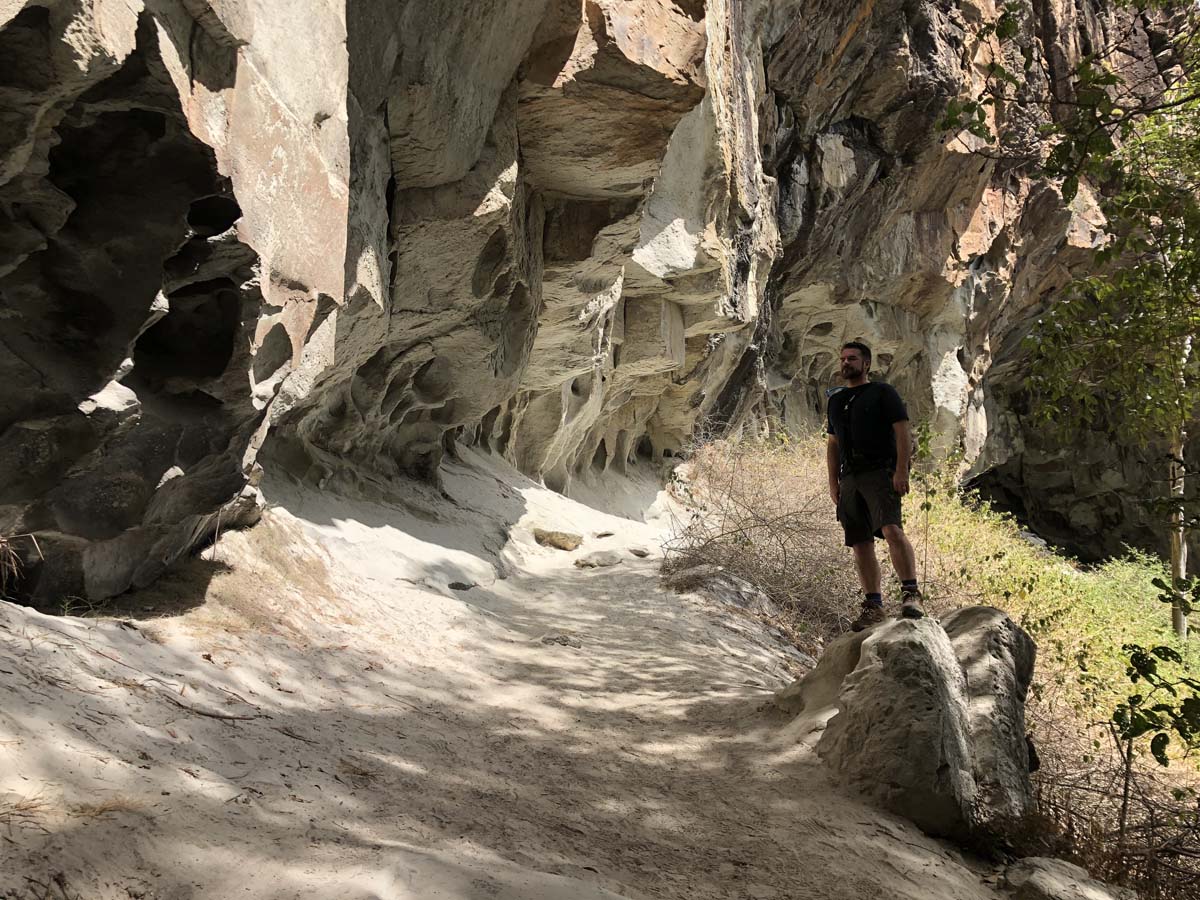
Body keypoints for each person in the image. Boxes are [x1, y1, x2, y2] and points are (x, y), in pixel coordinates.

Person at [825, 341, 924, 631]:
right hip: (850, 478)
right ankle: (874, 605)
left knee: (892, 528)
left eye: (852, 358)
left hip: (880, 472)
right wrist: (834, 481)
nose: (846, 363)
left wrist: (901, 470)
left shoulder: (882, 392)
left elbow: (902, 430)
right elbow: (832, 444)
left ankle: (911, 594)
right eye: (843, 359)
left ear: (866, 363)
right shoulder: (836, 401)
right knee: (860, 542)